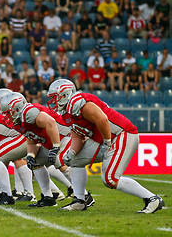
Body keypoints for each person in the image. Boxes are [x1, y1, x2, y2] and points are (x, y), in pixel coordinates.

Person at [47, 79, 165, 213]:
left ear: (65, 94)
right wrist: (72, 152)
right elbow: (78, 134)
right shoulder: (67, 111)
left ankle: (152, 199)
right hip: (104, 138)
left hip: (121, 134)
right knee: (75, 161)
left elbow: (102, 119)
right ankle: (80, 200)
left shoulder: (77, 102)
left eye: (55, 97)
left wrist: (106, 143)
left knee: (110, 179)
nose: (53, 101)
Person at [0, 92, 81, 206]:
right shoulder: (19, 121)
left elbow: (50, 122)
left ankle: (83, 196)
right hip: (52, 143)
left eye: (8, 113)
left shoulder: (29, 112)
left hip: (66, 137)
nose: (7, 117)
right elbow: (31, 139)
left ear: (17, 108)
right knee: (35, 162)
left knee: (59, 160)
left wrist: (56, 146)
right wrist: (30, 155)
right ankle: (48, 198)